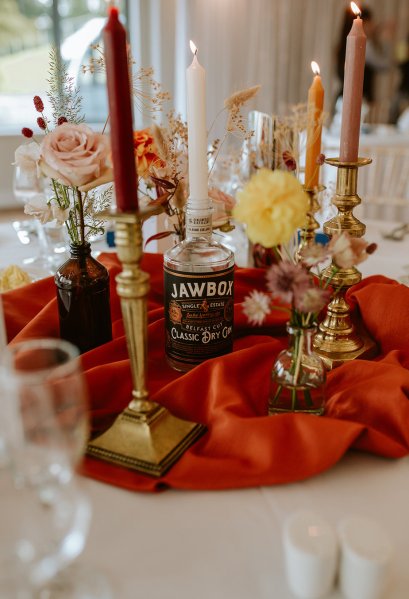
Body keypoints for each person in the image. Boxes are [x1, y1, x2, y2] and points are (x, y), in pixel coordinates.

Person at [335, 6, 394, 109]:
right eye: (370, 22)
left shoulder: (343, 44)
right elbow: (385, 64)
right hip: (358, 100)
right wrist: (386, 41)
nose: (373, 25)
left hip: (343, 98)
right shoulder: (363, 46)